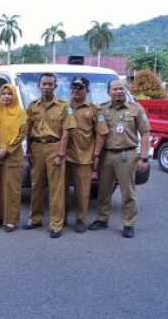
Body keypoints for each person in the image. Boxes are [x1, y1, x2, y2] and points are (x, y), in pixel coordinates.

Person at [88, 79, 150, 238]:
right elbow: (96, 134)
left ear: (126, 90)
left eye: (121, 88)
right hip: (106, 155)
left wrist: (143, 158)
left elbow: (145, 133)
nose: (119, 91)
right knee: (103, 189)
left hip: (126, 154)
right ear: (109, 92)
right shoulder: (102, 109)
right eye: (115, 89)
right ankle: (102, 219)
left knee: (127, 191)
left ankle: (128, 224)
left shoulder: (136, 109)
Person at [25, 72, 76, 238]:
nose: (46, 87)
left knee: (56, 188)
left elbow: (66, 132)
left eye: (50, 84)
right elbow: (28, 129)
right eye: (44, 84)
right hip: (37, 147)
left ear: (55, 86)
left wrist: (61, 154)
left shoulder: (64, 106)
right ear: (38, 86)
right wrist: (28, 150)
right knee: (36, 185)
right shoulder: (32, 106)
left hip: (55, 147)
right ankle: (35, 219)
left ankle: (56, 223)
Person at [65, 76, 108, 233]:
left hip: (84, 157)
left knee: (82, 192)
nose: (75, 90)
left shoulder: (95, 109)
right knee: (60, 190)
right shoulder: (63, 106)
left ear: (86, 90)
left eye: (80, 87)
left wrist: (96, 155)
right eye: (73, 87)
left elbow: (101, 133)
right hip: (63, 156)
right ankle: (61, 218)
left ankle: (80, 220)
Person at [0, 84, 27, 233]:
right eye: (3, 94)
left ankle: (11, 220)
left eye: (9, 94)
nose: (6, 96)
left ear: (14, 96)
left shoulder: (21, 114)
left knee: (12, 189)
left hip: (13, 156)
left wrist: (7, 150)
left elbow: (21, 135)